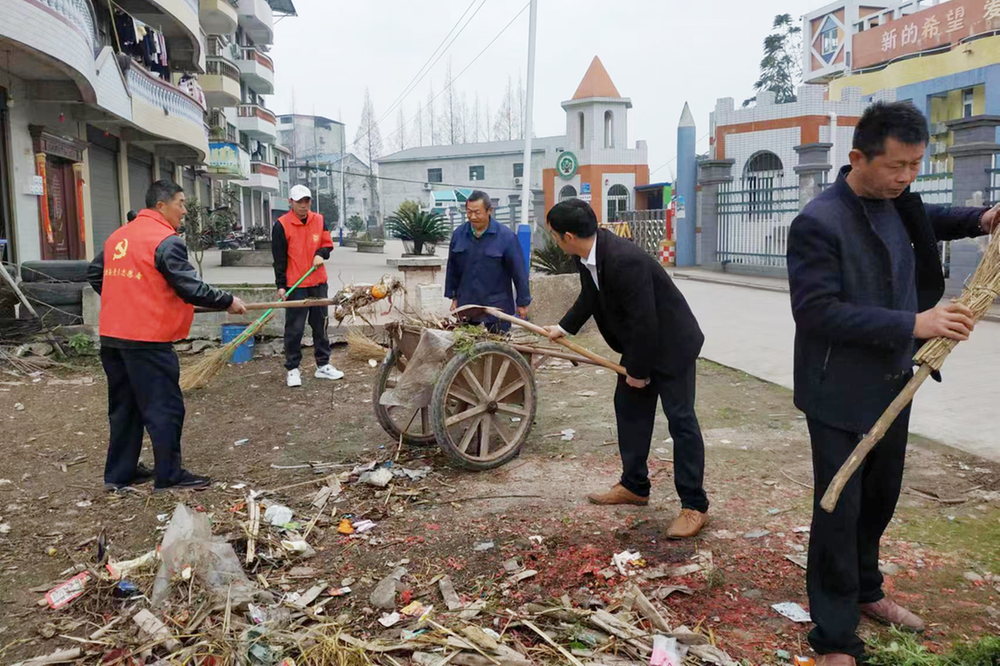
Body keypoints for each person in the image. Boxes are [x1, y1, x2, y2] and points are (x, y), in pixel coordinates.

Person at [787, 101, 1000, 666]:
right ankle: (833, 635)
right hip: (838, 386)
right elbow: (816, 314)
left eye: (916, 166)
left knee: (880, 496)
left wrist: (981, 219)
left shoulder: (897, 200)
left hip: (892, 376)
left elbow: (926, 218)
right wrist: (915, 323)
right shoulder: (818, 221)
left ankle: (866, 590)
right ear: (858, 157)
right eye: (897, 166)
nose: (907, 178)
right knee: (839, 507)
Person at [543, 199, 710, 539]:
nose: (556, 240)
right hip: (642, 344)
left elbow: (644, 321)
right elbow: (590, 297)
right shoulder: (588, 256)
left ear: (569, 236)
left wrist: (637, 370)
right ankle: (635, 485)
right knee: (629, 409)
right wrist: (564, 328)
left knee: (681, 421)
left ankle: (694, 505)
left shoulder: (624, 260)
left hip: (672, 345)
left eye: (555, 235)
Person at [87, 180, 247, 492]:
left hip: (112, 338)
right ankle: (169, 476)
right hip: (146, 340)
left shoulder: (119, 235)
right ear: (161, 205)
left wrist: (128, 299)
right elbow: (188, 286)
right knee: (165, 408)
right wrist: (228, 300)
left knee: (125, 408)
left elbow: (95, 274)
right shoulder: (165, 240)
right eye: (181, 203)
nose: (184, 211)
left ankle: (119, 474)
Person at [272, 184, 343, 387]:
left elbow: (327, 245)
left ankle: (323, 365)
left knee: (320, 325)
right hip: (296, 284)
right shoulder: (281, 225)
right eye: (299, 201)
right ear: (291, 202)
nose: (304, 205)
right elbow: (278, 259)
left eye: (307, 201)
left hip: (318, 281)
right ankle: (293, 368)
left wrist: (321, 254)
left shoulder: (319, 220)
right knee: (294, 328)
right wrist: (281, 285)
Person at [445, 190, 531, 331]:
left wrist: (522, 302)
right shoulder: (459, 235)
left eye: (477, 212)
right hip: (468, 305)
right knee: (467, 347)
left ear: (489, 210)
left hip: (497, 306)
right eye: (469, 212)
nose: (472, 217)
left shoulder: (506, 237)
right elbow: (452, 269)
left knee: (498, 348)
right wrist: (454, 297)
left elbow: (519, 272)